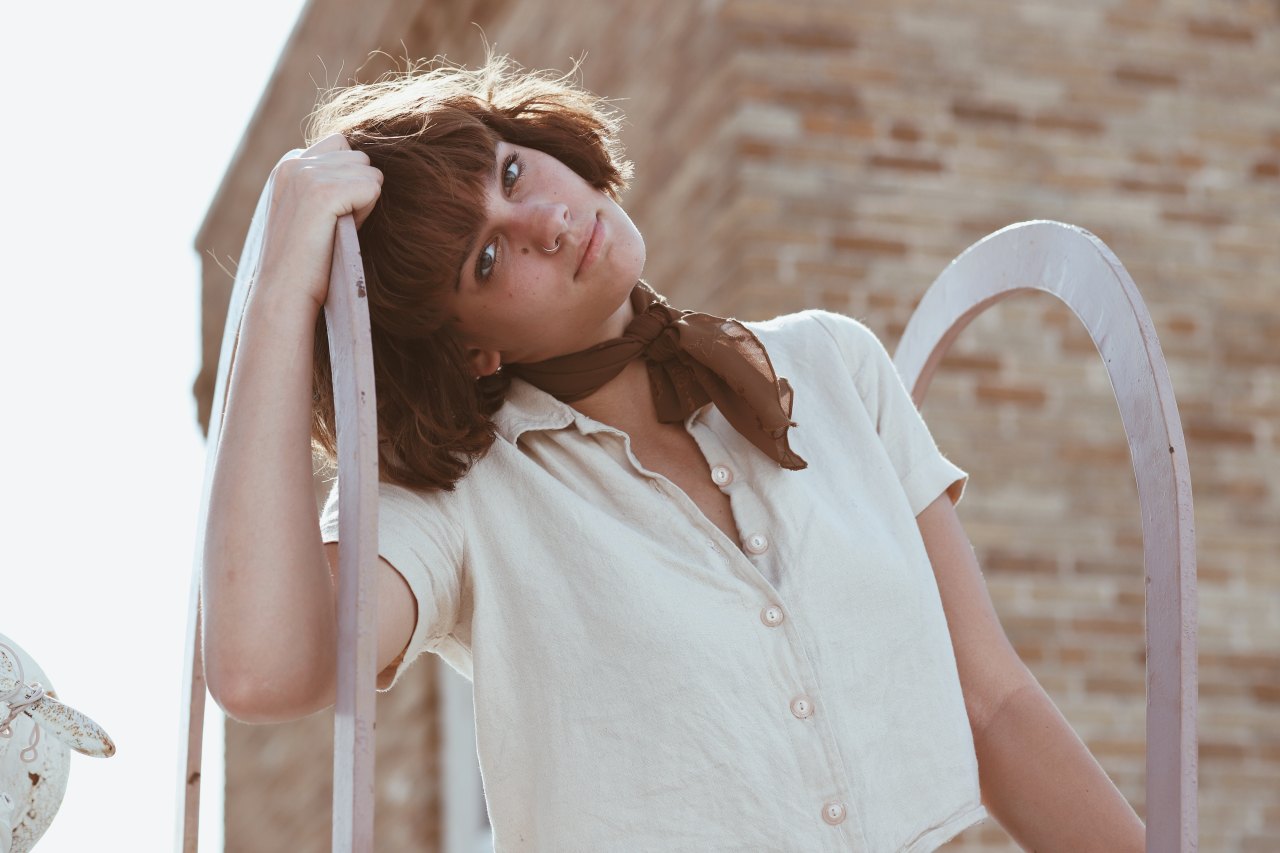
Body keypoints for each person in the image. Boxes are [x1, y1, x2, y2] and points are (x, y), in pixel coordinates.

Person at [203, 54, 1146, 851]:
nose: (545, 222)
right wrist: (280, 288)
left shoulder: (831, 364)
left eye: (513, 173)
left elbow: (993, 709)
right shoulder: (456, 500)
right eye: (488, 261)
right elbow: (262, 671)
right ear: (470, 349)